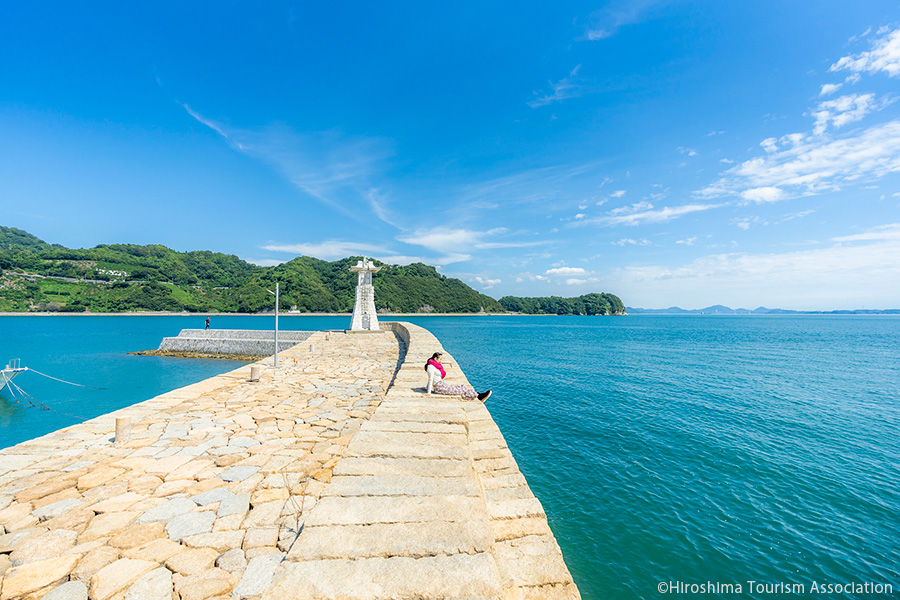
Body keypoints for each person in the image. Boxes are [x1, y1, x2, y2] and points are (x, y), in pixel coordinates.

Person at [425, 352, 491, 401]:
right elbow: (430, 379)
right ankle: (478, 396)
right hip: (439, 388)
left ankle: (478, 394)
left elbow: (432, 378)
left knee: (462, 387)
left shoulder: (436, 366)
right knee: (459, 391)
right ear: (435, 358)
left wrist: (426, 387)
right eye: (440, 359)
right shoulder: (430, 367)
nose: (441, 361)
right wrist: (428, 392)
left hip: (442, 385)